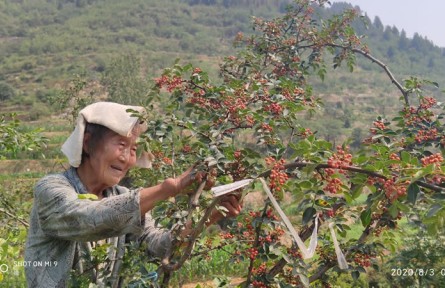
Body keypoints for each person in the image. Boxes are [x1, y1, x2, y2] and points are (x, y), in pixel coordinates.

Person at [24, 102, 242, 287]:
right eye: (121, 145)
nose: (127, 158)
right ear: (88, 143)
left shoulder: (121, 194)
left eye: (134, 150)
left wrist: (209, 216)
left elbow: (158, 246)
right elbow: (88, 218)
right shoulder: (51, 189)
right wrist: (170, 188)